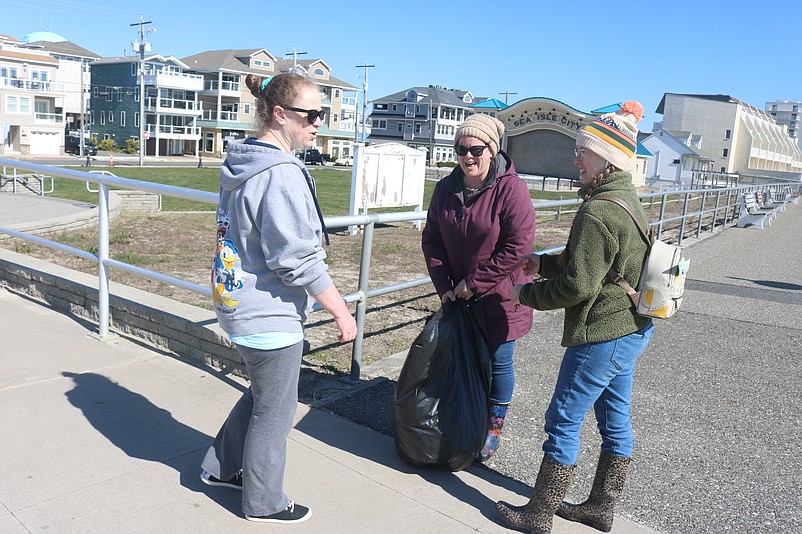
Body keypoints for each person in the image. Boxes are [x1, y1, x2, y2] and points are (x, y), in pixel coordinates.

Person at [200, 72, 357, 524]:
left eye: (322, 114)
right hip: (267, 311)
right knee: (276, 408)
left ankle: (220, 467)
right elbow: (295, 258)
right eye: (311, 115)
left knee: (263, 393)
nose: (318, 124)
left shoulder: (245, 161)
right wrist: (342, 312)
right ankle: (263, 502)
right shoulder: (281, 173)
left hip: (237, 303)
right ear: (280, 114)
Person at [496, 101, 654, 534]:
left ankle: (538, 513)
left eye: (584, 151)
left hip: (602, 333)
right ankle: (601, 508)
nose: (576, 158)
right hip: (632, 327)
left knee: (563, 418)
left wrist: (525, 294)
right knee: (615, 419)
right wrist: (542, 264)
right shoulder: (625, 201)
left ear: (609, 158)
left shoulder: (598, 210)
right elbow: (601, 265)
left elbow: (580, 286)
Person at [421, 113, 536, 462]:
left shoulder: (511, 189)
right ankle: (465, 414)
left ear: (492, 149)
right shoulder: (446, 189)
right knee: (463, 358)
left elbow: (518, 247)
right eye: (460, 149)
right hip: (459, 296)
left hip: (503, 297)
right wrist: (445, 286)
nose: (467, 157)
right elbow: (432, 240)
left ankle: (493, 427)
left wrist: (475, 282)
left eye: (475, 149)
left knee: (499, 361)